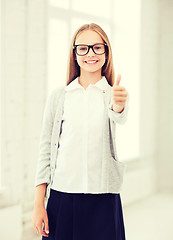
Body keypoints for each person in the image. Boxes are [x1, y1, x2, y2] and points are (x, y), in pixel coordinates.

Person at [32, 23, 129, 240]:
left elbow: (119, 115)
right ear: (75, 54)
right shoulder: (59, 96)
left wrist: (119, 105)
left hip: (103, 200)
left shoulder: (114, 94)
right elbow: (45, 150)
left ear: (106, 51)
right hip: (62, 199)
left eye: (97, 47)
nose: (90, 54)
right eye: (83, 48)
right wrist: (39, 204)